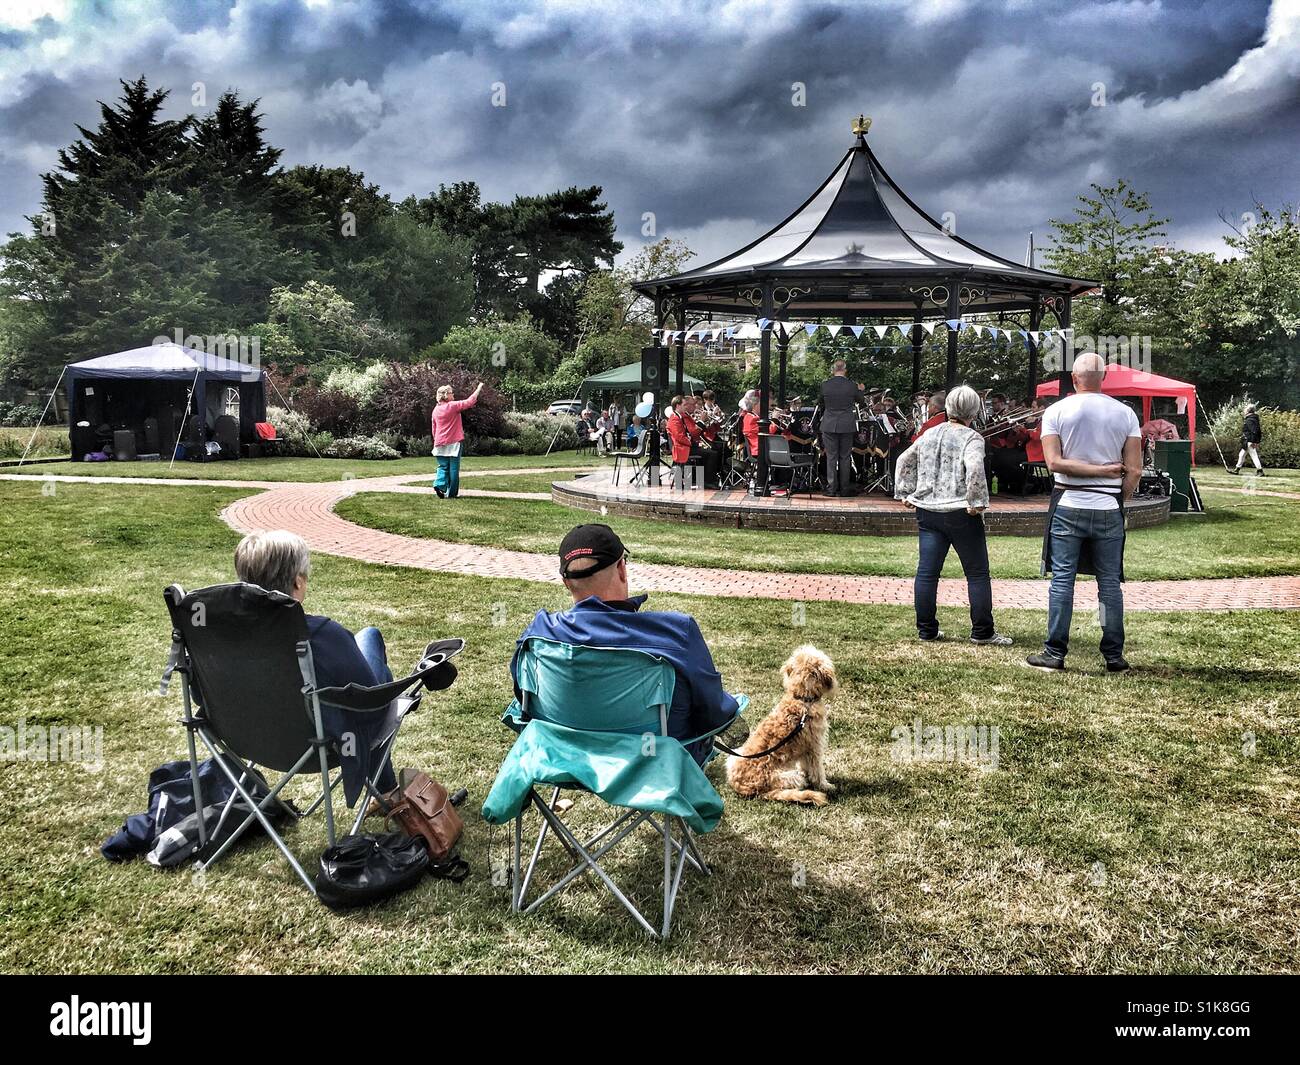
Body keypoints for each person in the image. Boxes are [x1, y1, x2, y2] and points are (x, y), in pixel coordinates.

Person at [512, 524, 740, 765]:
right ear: (622, 569)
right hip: (654, 762)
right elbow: (714, 714)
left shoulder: (538, 634)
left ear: (566, 582)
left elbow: (524, 699)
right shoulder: (676, 633)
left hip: (563, 758)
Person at [233, 530, 397, 797]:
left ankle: (387, 790)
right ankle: (386, 790)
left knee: (367, 640)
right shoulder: (321, 635)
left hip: (249, 740)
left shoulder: (224, 634)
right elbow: (371, 707)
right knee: (370, 637)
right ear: (297, 582)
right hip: (319, 744)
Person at [1028, 352, 1142, 674]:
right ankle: (1114, 656)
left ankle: (1054, 652)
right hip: (1108, 506)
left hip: (1068, 502)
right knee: (1109, 584)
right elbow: (1134, 470)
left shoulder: (1055, 411)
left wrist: (1092, 472)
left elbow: (1053, 463)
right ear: (1103, 378)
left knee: (1062, 580)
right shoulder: (1126, 414)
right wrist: (1117, 491)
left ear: (1075, 379)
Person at [894, 386, 1011, 647]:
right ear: (974, 410)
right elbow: (975, 469)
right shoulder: (972, 437)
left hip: (928, 511)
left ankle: (927, 630)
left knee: (927, 572)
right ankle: (982, 632)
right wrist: (977, 502)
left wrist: (904, 492)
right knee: (977, 573)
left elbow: (904, 459)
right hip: (960, 512)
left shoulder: (929, 433)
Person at [431, 380, 483, 498]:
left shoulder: (435, 410)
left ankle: (439, 484)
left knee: (443, 467)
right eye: (451, 393)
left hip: (439, 443)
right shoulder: (452, 406)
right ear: (446, 395)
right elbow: (469, 402)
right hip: (454, 442)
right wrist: (479, 388)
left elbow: (434, 428)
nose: (453, 395)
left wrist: (435, 441)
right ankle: (452, 494)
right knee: (453, 469)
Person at [819, 359, 861, 496]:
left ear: (833, 370)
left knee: (831, 457)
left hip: (829, 423)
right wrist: (861, 390)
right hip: (847, 424)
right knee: (845, 457)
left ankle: (831, 489)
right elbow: (861, 401)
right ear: (845, 370)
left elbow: (820, 403)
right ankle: (844, 489)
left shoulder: (825, 385)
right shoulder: (852, 385)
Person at [1230, 403, 1264, 475]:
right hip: (1248, 441)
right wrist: (1257, 441)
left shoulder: (1250, 420)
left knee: (1253, 456)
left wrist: (1254, 442)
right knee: (1241, 454)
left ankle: (1260, 471)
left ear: (1248, 411)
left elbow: (1254, 431)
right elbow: (1258, 431)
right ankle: (1237, 469)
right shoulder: (1254, 419)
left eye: (1245, 409)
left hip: (1249, 441)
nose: (1244, 410)